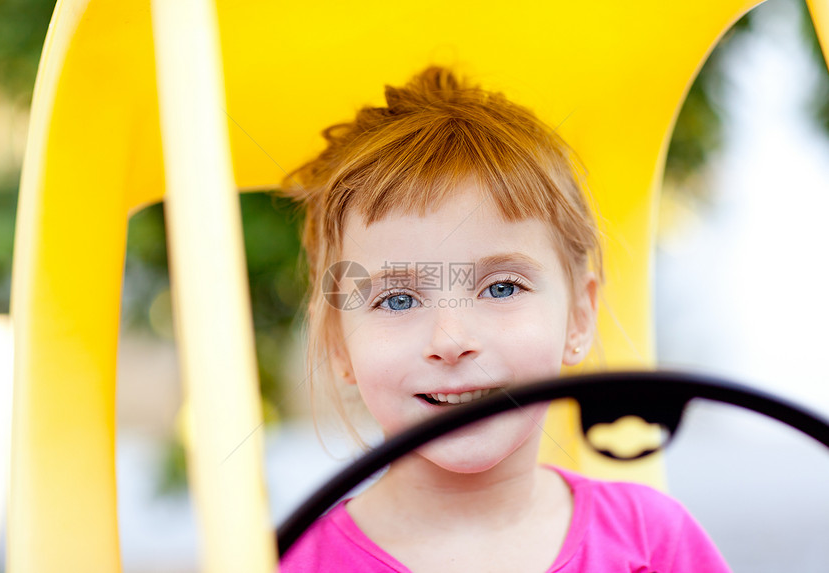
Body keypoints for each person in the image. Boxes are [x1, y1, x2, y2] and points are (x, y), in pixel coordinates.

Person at [279, 67, 730, 572]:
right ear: (339, 344)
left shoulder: (653, 543)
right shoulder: (289, 562)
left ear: (579, 316)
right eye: (399, 300)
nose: (451, 341)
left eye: (501, 288)